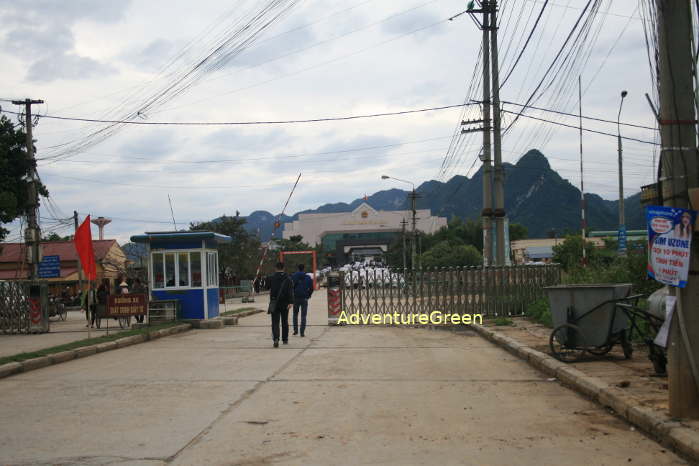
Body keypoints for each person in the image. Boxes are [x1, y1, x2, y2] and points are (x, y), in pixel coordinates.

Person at [267, 262, 294, 348]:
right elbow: (290, 291)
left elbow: (267, 287)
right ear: (284, 268)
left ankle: (276, 338)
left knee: (275, 322)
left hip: (274, 302)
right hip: (285, 303)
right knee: (284, 321)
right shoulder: (288, 278)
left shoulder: (271, 277)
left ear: (275, 268)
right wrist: (291, 302)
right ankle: (285, 339)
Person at [291, 263, 314, 337]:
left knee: (295, 314)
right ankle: (302, 332)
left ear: (298, 268)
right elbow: (311, 288)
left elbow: (290, 286)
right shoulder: (308, 277)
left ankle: (295, 330)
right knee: (303, 316)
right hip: (304, 298)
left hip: (295, 298)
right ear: (304, 269)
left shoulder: (293, 276)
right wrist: (308, 295)